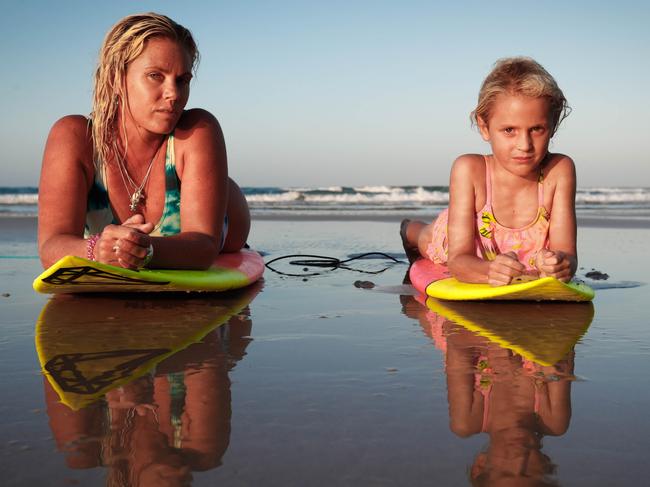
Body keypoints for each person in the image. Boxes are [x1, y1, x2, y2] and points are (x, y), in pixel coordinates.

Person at [38, 13, 250, 270]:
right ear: (117, 77)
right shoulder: (75, 136)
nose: (173, 94)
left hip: (226, 225)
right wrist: (95, 250)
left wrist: (142, 249)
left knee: (227, 215)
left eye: (182, 80)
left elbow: (204, 247)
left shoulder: (197, 130)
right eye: (155, 76)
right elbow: (50, 247)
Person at [401, 57, 576, 286]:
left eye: (536, 129)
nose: (524, 144)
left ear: (552, 126)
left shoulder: (559, 171)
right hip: (457, 242)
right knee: (425, 236)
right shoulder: (469, 170)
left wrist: (560, 263)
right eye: (509, 130)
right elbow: (458, 261)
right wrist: (489, 269)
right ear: (485, 127)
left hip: (501, 261)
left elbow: (568, 256)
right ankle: (407, 229)